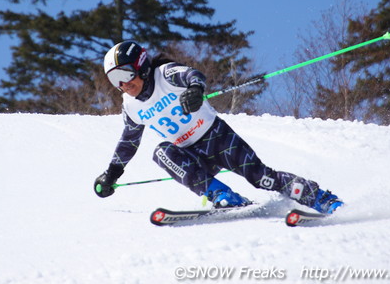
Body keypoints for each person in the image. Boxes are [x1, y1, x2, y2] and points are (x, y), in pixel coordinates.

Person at [93, 40, 343, 213]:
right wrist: (112, 175)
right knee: (162, 152)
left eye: (125, 74)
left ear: (141, 65)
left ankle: (322, 199)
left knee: (263, 178)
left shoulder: (165, 74)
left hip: (218, 138)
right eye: (115, 80)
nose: (123, 84)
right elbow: (128, 142)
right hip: (190, 154)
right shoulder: (131, 105)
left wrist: (194, 89)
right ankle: (223, 196)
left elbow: (193, 75)